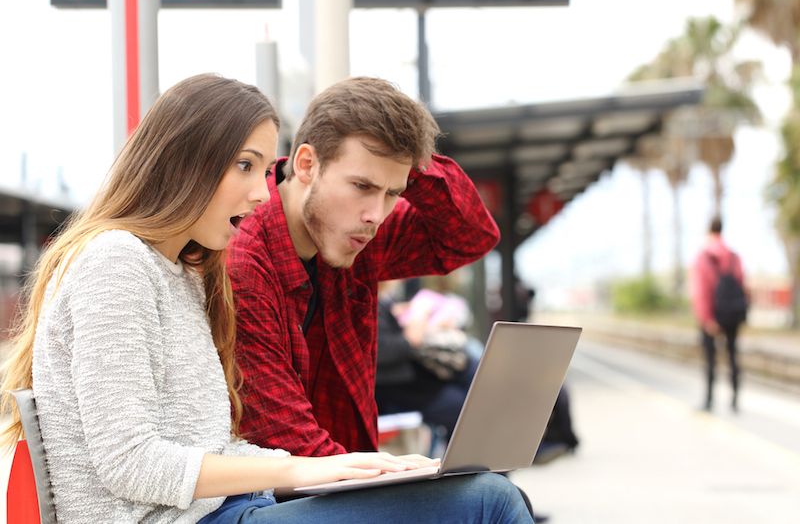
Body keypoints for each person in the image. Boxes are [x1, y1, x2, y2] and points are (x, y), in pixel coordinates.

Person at [0, 74, 532, 523]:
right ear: (185, 160)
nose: (260, 191)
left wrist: (363, 468)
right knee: (490, 501)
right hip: (200, 517)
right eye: (245, 166)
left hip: (229, 508)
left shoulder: (182, 272)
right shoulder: (117, 262)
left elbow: (210, 442)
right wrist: (301, 468)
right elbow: (130, 461)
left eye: (391, 192)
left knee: (482, 494)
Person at [227, 77, 501, 457]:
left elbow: (470, 237)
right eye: (362, 185)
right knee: (492, 499)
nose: (376, 215)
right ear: (307, 164)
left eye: (393, 193)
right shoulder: (245, 260)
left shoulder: (357, 232)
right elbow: (286, 438)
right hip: (284, 496)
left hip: (346, 474)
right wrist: (391, 477)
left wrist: (409, 163)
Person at [375, 281, 478, 444]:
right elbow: (381, 352)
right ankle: (471, 464)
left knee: (474, 380)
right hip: (395, 386)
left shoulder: (386, 301)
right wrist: (412, 335)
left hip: (412, 377)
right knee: (463, 409)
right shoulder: (372, 304)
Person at [691, 215, 748, 412]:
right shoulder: (734, 256)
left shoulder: (703, 256)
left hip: (712, 314)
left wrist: (707, 318)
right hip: (732, 313)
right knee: (733, 355)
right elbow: (741, 284)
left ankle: (709, 400)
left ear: (709, 231)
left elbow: (701, 290)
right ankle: (734, 400)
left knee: (710, 358)